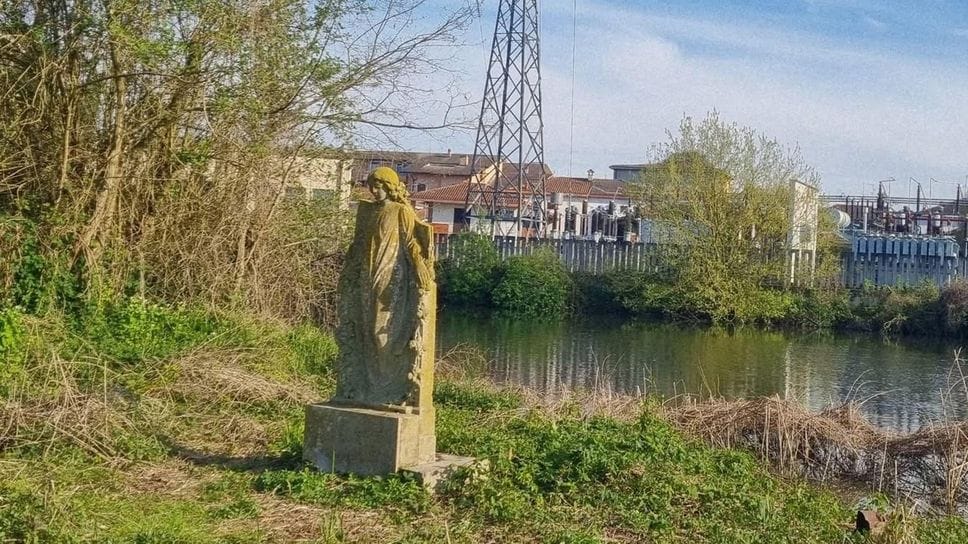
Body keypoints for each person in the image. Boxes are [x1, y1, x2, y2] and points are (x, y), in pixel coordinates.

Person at [333, 167, 435, 406]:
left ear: (389, 187)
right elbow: (359, 243)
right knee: (365, 328)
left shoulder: (400, 211)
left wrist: (420, 266)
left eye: (378, 186)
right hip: (367, 276)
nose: (374, 191)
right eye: (371, 186)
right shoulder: (368, 212)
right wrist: (349, 270)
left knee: (383, 330)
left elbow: (410, 241)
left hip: (390, 276)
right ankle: (366, 387)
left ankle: (390, 387)